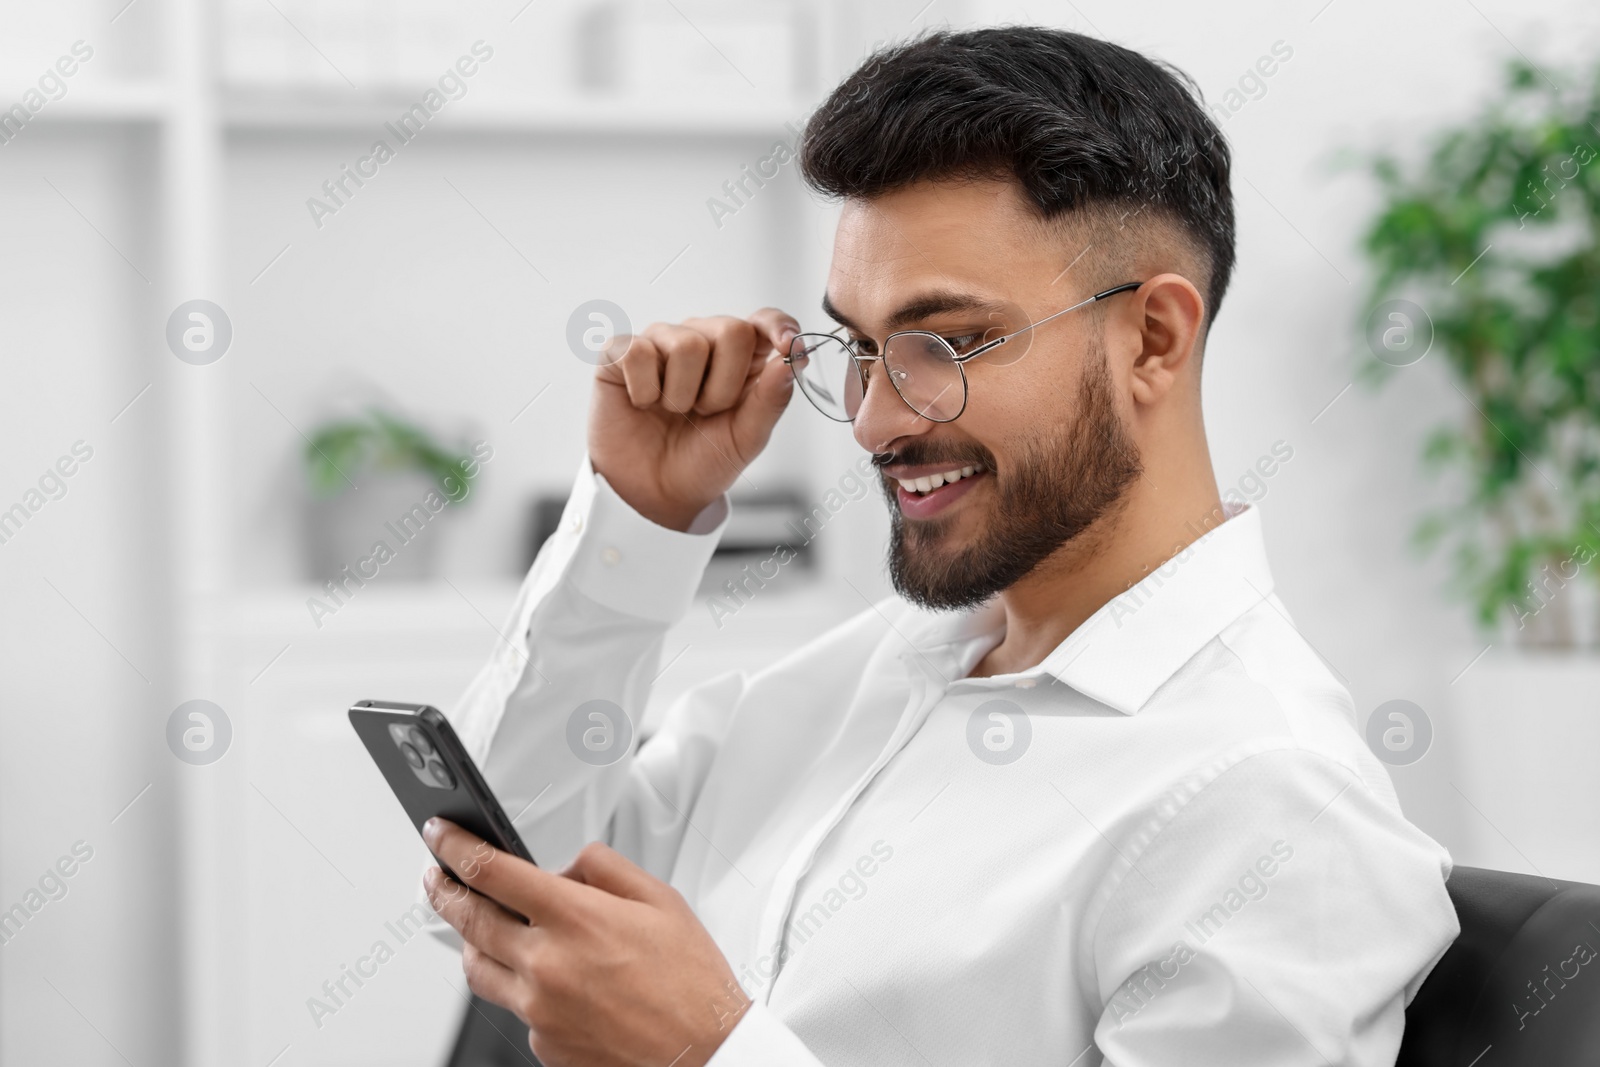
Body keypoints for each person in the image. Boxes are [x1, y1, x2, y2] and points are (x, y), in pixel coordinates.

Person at [419, 26, 1459, 1067]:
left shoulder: (1273, 807)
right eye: (863, 348)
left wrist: (710, 1051)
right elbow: (498, 881)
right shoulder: (854, 679)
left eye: (949, 343)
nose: (874, 420)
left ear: (1152, 338)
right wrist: (634, 523)